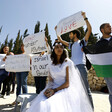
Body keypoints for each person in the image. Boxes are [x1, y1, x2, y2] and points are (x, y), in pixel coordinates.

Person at [23, 42, 93, 112]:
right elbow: (51, 81)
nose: (59, 49)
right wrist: (48, 89)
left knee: (50, 104)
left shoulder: (67, 62)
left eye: (61, 47)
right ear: (54, 50)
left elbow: (67, 83)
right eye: (57, 47)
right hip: (53, 88)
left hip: (65, 89)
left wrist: (54, 90)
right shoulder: (50, 64)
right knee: (41, 102)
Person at [55, 11, 93, 108]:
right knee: (75, 90)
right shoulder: (71, 45)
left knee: (86, 89)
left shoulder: (82, 42)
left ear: (75, 34)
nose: (69, 35)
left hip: (81, 67)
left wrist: (85, 17)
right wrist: (57, 31)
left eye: (70, 33)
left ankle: (91, 109)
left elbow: (89, 30)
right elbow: (60, 40)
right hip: (72, 69)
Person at [85, 23, 112, 112]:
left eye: (110, 26)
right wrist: (85, 50)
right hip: (108, 72)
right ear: (102, 30)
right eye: (108, 26)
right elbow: (92, 53)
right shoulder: (99, 44)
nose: (110, 27)